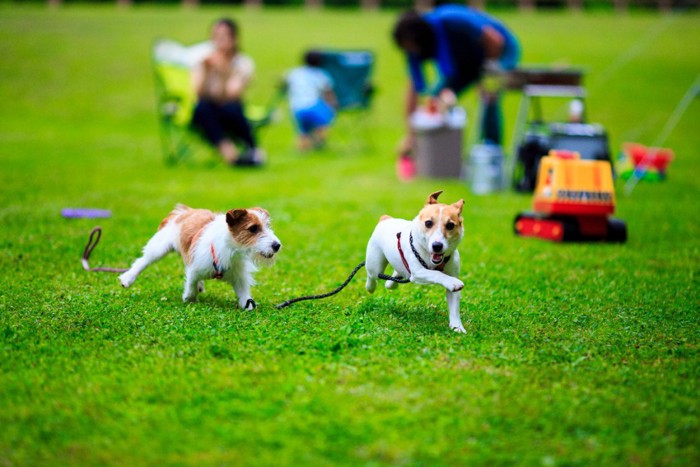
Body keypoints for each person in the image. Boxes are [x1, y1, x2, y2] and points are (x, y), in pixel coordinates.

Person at [393, 4, 521, 157]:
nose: (410, 51)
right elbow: (413, 89)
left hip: (500, 50)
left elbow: (495, 40)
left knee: (489, 95)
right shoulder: (415, 49)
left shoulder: (452, 21)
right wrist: (411, 134)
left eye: (410, 47)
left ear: (416, 38)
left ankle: (492, 152)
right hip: (464, 62)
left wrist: (486, 75)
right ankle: (438, 153)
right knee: (435, 100)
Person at [191, 18, 264, 166]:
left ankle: (252, 149)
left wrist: (223, 72)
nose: (219, 41)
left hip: (230, 112)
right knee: (203, 108)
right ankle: (228, 152)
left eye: (224, 37)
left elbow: (232, 95)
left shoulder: (243, 63)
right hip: (206, 111)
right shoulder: (203, 59)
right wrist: (205, 72)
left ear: (234, 39)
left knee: (230, 108)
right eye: (216, 37)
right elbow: (197, 93)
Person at [285, 50, 337, 151]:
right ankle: (318, 142)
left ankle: (303, 148)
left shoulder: (294, 73)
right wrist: (334, 106)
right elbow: (328, 94)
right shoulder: (321, 74)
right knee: (324, 123)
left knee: (303, 131)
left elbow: (284, 84)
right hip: (313, 106)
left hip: (296, 108)